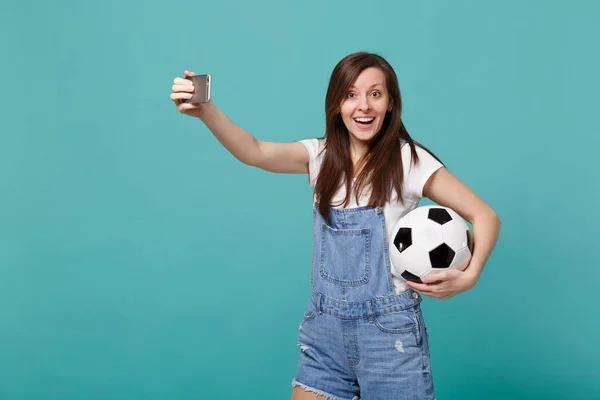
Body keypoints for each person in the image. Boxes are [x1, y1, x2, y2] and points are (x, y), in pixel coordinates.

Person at [170, 52, 501, 400]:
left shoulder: (408, 160)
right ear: (336, 104)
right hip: (324, 330)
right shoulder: (320, 156)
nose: (364, 106)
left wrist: (470, 275)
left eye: (375, 94)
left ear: (390, 103)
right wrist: (207, 112)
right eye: (351, 94)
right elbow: (254, 150)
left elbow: (485, 216)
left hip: (389, 337)